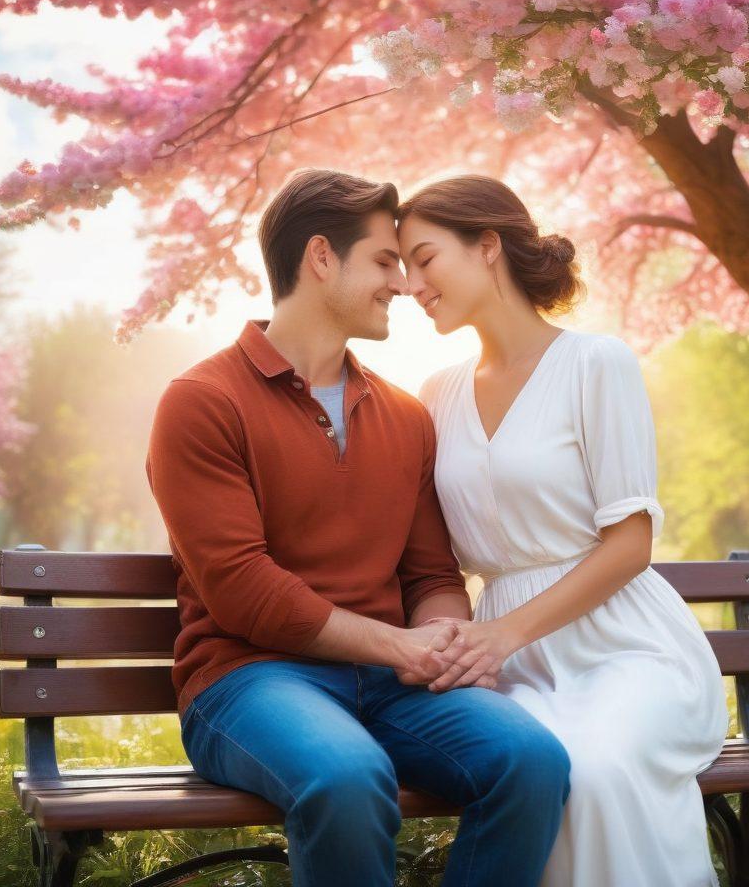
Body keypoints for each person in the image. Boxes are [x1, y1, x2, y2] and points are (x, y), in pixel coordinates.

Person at [145, 168, 570, 887]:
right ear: (319, 258)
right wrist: (397, 645)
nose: (402, 285)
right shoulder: (202, 402)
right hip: (247, 682)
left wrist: (443, 640)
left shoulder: (406, 417)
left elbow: (431, 574)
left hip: (390, 684)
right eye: (382, 260)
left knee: (532, 763)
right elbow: (243, 590)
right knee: (345, 776)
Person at [398, 174, 730, 887]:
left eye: (424, 259)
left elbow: (632, 544)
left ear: (487, 246)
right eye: (401, 270)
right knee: (536, 768)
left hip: (622, 645)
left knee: (599, 769)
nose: (412, 286)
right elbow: (427, 558)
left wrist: (504, 635)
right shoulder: (435, 395)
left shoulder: (594, 363)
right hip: (508, 663)